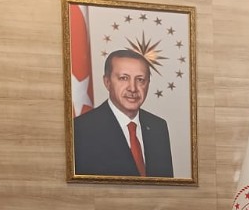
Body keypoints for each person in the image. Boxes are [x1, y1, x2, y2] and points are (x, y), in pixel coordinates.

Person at [72, 49, 173, 178]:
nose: (133, 88)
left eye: (140, 80)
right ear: (107, 82)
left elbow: (166, 186)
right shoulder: (81, 129)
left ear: (148, 84)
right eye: (124, 78)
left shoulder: (158, 127)